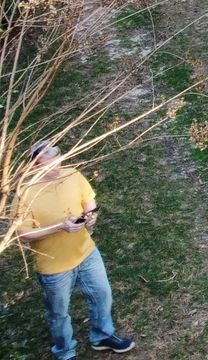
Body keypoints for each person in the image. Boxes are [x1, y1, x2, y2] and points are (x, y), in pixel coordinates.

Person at [12, 141, 135, 358]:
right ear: (33, 166)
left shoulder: (72, 174)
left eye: (58, 161)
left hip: (86, 252)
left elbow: (88, 199)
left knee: (102, 295)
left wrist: (91, 216)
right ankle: (65, 351)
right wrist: (60, 226)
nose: (56, 168)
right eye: (48, 165)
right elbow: (23, 234)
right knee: (58, 313)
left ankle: (102, 335)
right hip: (54, 265)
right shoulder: (26, 193)